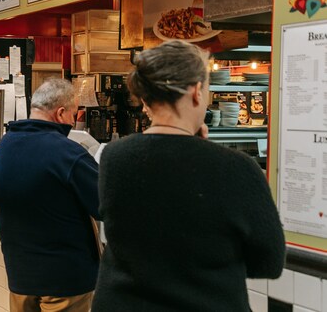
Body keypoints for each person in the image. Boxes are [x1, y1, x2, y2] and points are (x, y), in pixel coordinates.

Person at [92, 41, 285, 312]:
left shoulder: (114, 158)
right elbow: (269, 261)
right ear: (196, 91)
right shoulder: (235, 168)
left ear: (145, 98)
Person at [0, 78, 100, 312]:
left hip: (20, 276)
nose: (73, 121)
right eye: (74, 114)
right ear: (60, 113)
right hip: (64, 280)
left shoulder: (6, 146)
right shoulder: (67, 153)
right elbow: (104, 204)